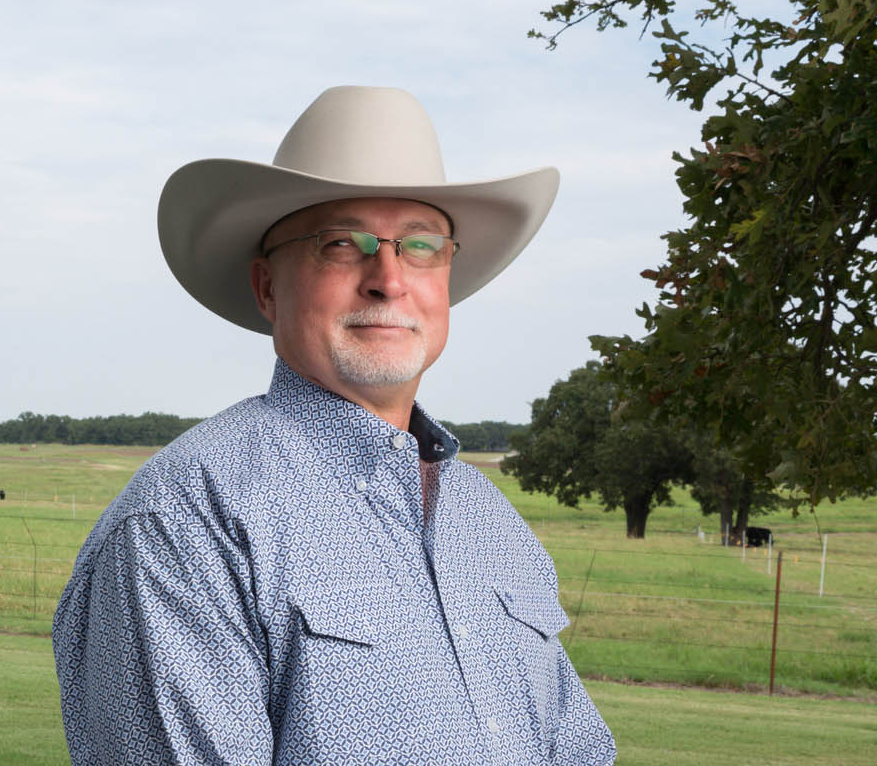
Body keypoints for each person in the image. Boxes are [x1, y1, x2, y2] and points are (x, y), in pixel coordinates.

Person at [51, 87, 616, 765]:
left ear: (445, 277)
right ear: (268, 288)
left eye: (420, 245)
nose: (388, 278)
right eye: (342, 245)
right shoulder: (184, 523)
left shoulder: (491, 524)